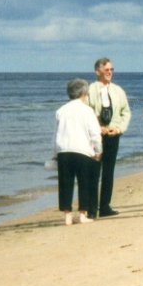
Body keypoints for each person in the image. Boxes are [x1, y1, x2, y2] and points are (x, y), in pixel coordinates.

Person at [53, 78, 102, 226]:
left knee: (65, 183)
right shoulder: (87, 110)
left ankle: (67, 216)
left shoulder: (61, 111)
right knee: (84, 182)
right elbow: (95, 133)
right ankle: (82, 214)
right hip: (82, 150)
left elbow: (55, 134)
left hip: (64, 150)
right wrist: (98, 150)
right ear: (83, 93)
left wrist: (54, 153)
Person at [88, 58, 131, 218]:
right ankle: (91, 209)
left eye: (111, 69)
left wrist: (119, 128)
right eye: (106, 69)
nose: (109, 72)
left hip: (113, 135)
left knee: (109, 171)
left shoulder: (118, 91)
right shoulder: (90, 90)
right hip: (95, 137)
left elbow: (126, 112)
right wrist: (96, 128)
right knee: (93, 172)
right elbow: (86, 112)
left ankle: (105, 206)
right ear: (97, 71)